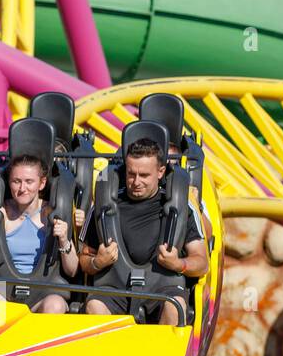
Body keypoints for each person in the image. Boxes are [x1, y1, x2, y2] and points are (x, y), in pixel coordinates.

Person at [79, 138, 208, 324]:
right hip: (115, 287)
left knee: (176, 306)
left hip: (164, 288)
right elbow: (83, 260)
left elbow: (202, 263)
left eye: (144, 175)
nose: (136, 182)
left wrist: (179, 264)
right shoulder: (104, 207)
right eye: (131, 174)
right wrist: (97, 262)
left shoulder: (181, 208)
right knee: (93, 306)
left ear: (161, 172)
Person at [0, 155, 82, 313]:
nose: (22, 189)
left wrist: (64, 240)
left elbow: (72, 270)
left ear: (42, 183)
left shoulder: (54, 214)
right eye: (16, 181)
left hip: (43, 294)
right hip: (5, 294)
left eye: (29, 181)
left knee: (55, 305)